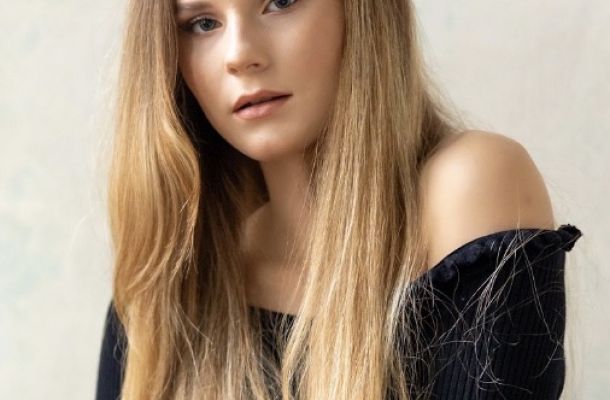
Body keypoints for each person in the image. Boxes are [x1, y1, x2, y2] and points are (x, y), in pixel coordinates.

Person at [95, 0, 584, 399]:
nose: (239, 54)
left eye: (281, 1)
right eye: (202, 23)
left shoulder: (471, 186)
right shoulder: (170, 280)